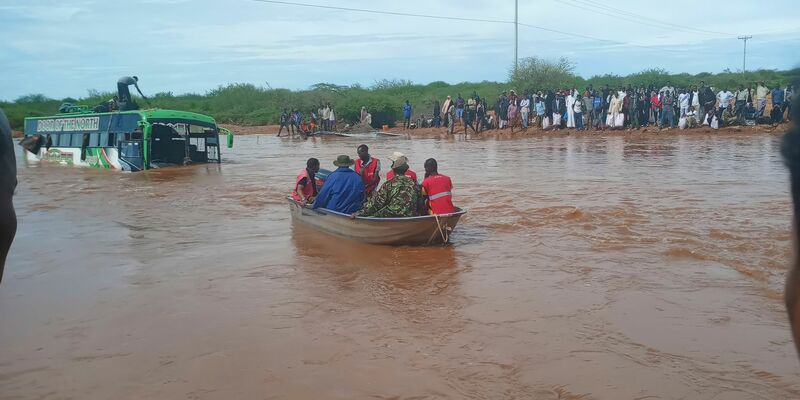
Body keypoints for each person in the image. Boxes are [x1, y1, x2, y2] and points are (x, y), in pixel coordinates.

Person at [355, 155, 421, 218]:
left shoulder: (388, 184)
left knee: (373, 214)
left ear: (393, 170)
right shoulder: (414, 184)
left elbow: (376, 204)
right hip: (411, 215)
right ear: (406, 170)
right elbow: (420, 203)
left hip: (391, 215)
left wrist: (360, 213)